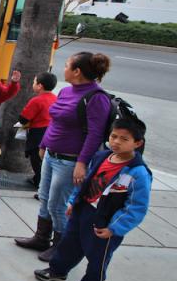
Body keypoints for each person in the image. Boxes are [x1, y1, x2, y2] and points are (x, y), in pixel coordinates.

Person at [34, 119, 150, 281]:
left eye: (124, 139)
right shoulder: (102, 156)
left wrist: (115, 228)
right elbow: (86, 182)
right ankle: (58, 271)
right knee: (69, 244)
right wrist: (73, 201)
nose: (116, 142)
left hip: (105, 224)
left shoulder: (138, 173)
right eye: (113, 136)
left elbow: (136, 207)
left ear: (137, 143)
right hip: (83, 211)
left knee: (98, 259)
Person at [15, 52, 112, 262]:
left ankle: (61, 247)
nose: (64, 68)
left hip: (70, 162)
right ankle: (41, 238)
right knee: (44, 198)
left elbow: (95, 134)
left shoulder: (97, 98)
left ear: (77, 71)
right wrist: (44, 145)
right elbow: (55, 121)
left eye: (67, 65)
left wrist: (82, 163)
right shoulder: (67, 91)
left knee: (57, 205)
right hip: (52, 155)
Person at [19, 72, 58, 188]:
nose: (33, 84)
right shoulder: (55, 98)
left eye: (34, 82)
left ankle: (39, 181)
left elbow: (23, 119)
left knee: (35, 158)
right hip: (51, 131)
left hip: (38, 133)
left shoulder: (36, 100)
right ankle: (41, 180)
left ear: (40, 86)